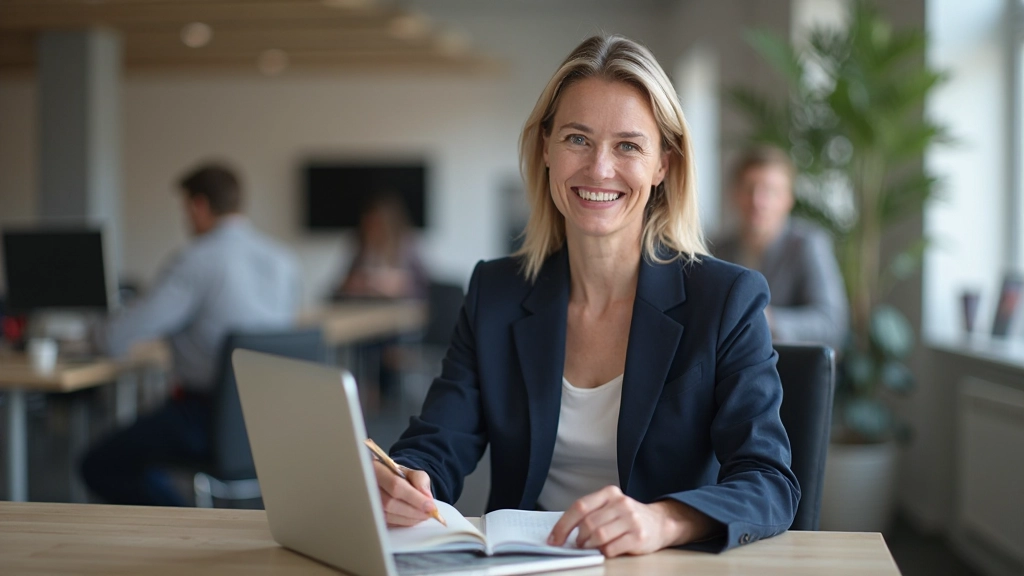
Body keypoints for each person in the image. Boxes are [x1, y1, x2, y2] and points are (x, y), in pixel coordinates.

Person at [378, 35, 799, 557]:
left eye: (628, 145)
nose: (599, 169)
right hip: (521, 566)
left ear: (663, 165)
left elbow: (768, 482)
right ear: (546, 149)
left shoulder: (726, 300)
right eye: (577, 138)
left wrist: (664, 520)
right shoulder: (496, 293)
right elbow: (438, 442)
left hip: (660, 565)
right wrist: (406, 479)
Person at [80, 162, 301, 506]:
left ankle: (181, 517)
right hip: (274, 420)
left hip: (207, 420)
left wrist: (89, 332)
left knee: (100, 463)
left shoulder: (196, 261)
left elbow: (116, 338)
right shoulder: (283, 261)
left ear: (198, 206)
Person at [712, 146, 848, 351]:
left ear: (788, 199)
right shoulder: (718, 250)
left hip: (788, 366)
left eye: (770, 191)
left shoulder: (808, 245)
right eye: (750, 189)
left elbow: (832, 324)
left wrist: (766, 320)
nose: (758, 202)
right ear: (735, 194)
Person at [334, 193, 428, 300]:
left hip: (400, 306)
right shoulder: (362, 248)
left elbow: (423, 287)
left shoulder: (406, 246)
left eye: (377, 224)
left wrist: (399, 285)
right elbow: (339, 289)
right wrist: (355, 283)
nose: (372, 230)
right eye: (368, 224)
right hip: (367, 305)